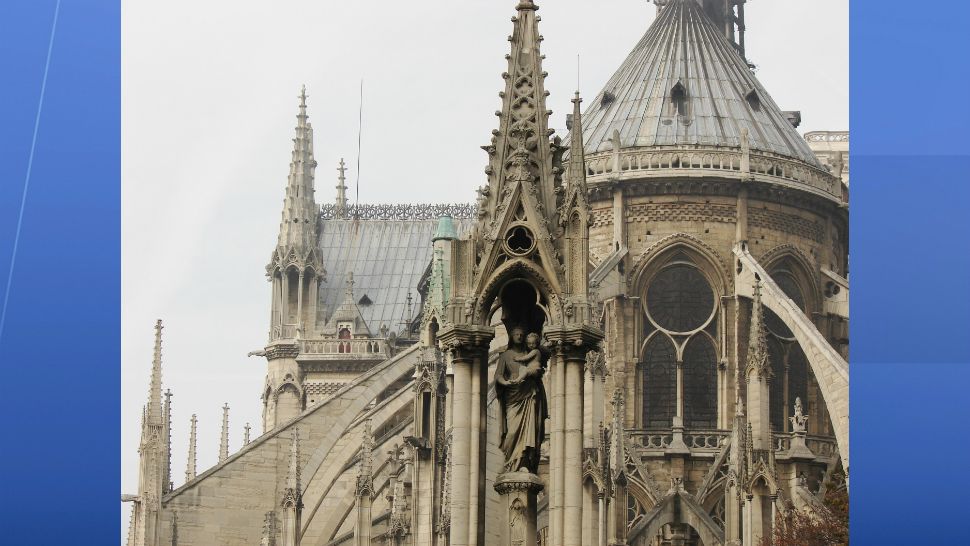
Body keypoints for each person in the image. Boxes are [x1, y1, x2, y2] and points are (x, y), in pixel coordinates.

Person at [494, 326, 548, 474]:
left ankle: (524, 461)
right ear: (511, 336)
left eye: (521, 334)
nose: (519, 336)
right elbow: (498, 375)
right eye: (516, 334)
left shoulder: (530, 353)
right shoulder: (506, 355)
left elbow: (538, 368)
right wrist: (505, 383)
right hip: (512, 397)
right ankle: (510, 461)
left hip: (528, 395)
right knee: (511, 433)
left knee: (528, 431)